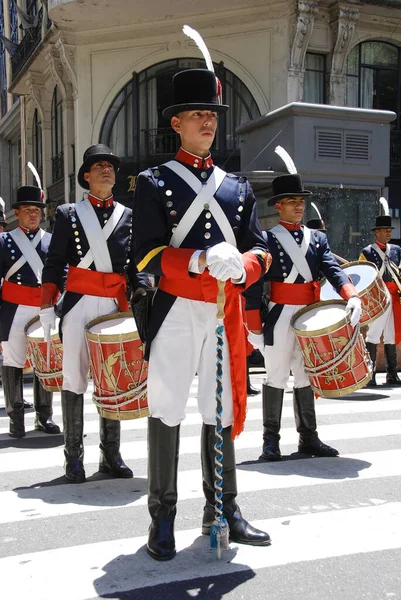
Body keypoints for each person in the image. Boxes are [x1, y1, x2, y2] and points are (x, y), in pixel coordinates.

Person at [132, 67, 272, 561]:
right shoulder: (153, 183)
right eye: (197, 114)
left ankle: (224, 509)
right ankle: (162, 516)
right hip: (174, 307)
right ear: (176, 124)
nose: (207, 121)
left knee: (223, 408)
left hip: (222, 309)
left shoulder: (236, 187)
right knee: (167, 404)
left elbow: (261, 249)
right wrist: (194, 258)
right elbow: (144, 255)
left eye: (211, 114)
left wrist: (245, 266)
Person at [40, 144, 148, 483]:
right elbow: (55, 263)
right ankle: (73, 458)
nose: (107, 170)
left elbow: (137, 264)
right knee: (74, 379)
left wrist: (143, 291)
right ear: (86, 176)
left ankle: (111, 456)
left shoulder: (128, 217)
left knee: (111, 382)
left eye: (111, 166)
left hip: (115, 306)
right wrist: (47, 304)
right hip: (78, 302)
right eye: (99, 166)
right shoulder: (68, 214)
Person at [246, 174, 362, 461]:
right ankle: (270, 442)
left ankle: (308, 438)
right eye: (292, 202)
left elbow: (333, 270)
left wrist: (352, 294)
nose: (299, 207)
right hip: (279, 314)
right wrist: (253, 326)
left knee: (306, 375)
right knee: (275, 376)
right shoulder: (267, 238)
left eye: (301, 202)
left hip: (311, 314)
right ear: (279, 206)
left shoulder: (317, 239)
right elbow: (252, 286)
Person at [0, 186, 60, 438]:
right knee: (13, 361)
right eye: (27, 210)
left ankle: (44, 415)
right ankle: (15, 417)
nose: (33, 215)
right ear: (17, 213)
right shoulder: (4, 241)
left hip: (43, 308)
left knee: (44, 363)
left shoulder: (52, 240)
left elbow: (61, 274)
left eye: (37, 210)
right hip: (13, 308)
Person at [359, 214, 401, 386]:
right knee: (374, 334)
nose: (388, 232)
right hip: (378, 296)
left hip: (394, 295)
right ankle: (371, 374)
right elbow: (363, 274)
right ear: (376, 232)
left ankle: (392, 374)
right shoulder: (367, 252)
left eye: (389, 230)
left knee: (391, 335)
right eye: (384, 230)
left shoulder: (397, 251)